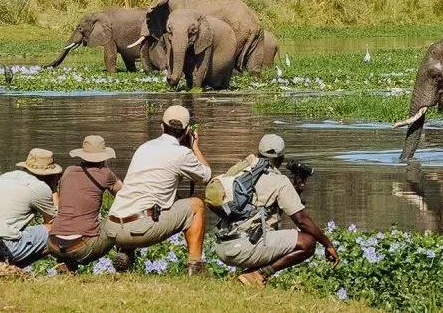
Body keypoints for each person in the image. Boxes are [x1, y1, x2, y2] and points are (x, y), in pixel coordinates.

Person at [215, 134, 339, 286]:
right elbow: (301, 220)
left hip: (222, 247)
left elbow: (264, 208)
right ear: (281, 158)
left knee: (268, 231)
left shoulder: (242, 171)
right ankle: (258, 275)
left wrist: (296, 190)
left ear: (258, 152)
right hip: (242, 249)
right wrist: (327, 243)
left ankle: (247, 276)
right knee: (308, 242)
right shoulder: (280, 181)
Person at [105, 105, 211, 275]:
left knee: (137, 200)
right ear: (187, 131)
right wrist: (195, 147)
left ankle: (125, 253)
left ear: (162, 126)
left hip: (112, 228)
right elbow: (207, 176)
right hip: (140, 229)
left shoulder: (144, 147)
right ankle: (195, 267)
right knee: (197, 205)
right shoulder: (183, 154)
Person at [0, 148, 61, 267]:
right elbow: (56, 221)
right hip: (1, 250)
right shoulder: (39, 188)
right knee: (58, 230)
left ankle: (6, 270)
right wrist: (53, 189)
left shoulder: (3, 177)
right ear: (50, 174)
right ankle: (66, 268)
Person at [47, 135, 123, 272]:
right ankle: (125, 257)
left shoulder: (69, 171)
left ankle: (68, 266)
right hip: (82, 246)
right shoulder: (105, 174)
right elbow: (123, 193)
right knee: (118, 222)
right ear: (103, 157)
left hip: (53, 243)